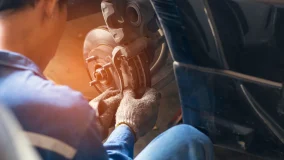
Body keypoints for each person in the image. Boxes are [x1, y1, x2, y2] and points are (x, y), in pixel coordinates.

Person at [0, 0, 214, 160]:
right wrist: (126, 128)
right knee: (189, 139)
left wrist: (83, 126)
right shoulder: (56, 108)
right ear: (49, 5)